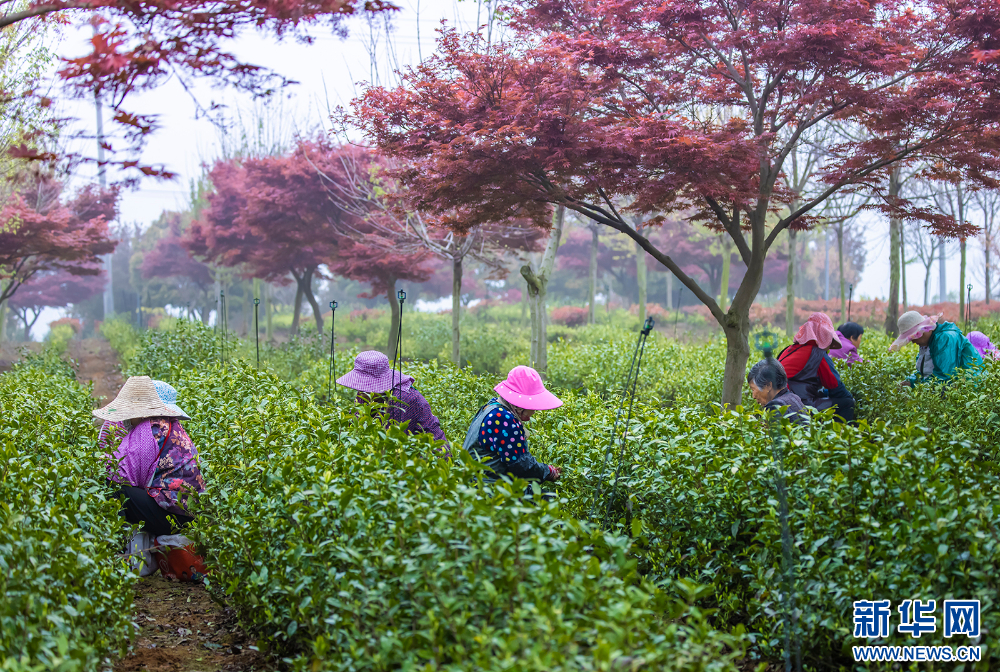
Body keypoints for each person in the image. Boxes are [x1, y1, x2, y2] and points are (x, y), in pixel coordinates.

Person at [96, 377, 207, 580]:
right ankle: (143, 551)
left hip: (172, 513)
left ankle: (119, 552)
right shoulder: (168, 425)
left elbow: (122, 475)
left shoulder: (149, 429)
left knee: (111, 489)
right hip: (188, 512)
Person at [462, 365, 563, 487]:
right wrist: (548, 471)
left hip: (471, 486)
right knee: (548, 502)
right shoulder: (503, 417)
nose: (534, 410)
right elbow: (521, 466)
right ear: (521, 405)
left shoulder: (491, 407)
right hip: (489, 492)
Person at [337, 350, 448, 449]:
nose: (361, 391)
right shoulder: (365, 393)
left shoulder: (403, 399)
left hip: (430, 459)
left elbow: (390, 443)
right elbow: (356, 419)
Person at [777, 312, 857, 421]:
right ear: (824, 337)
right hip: (799, 406)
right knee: (847, 402)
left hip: (781, 403)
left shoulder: (788, 350)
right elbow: (836, 388)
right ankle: (838, 436)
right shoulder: (817, 354)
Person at [890, 311, 983, 385]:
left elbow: (944, 379)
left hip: (970, 391)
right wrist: (911, 381)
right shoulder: (927, 343)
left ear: (923, 331)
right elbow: (924, 372)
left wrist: (919, 387)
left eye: (913, 337)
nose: (913, 341)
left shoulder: (945, 338)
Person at [746, 357, 806, 424]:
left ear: (768, 385)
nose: (753, 396)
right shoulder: (794, 397)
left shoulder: (774, 407)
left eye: (753, 389)